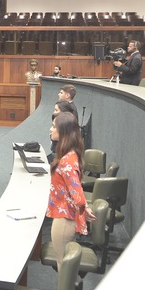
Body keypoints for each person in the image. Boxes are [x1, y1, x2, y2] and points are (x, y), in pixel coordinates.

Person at [47, 112, 95, 272]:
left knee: (64, 267)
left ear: (64, 131)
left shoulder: (67, 160)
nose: (50, 129)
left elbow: (76, 190)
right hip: (65, 216)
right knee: (65, 266)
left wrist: (84, 206)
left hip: (64, 219)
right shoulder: (71, 154)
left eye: (54, 127)